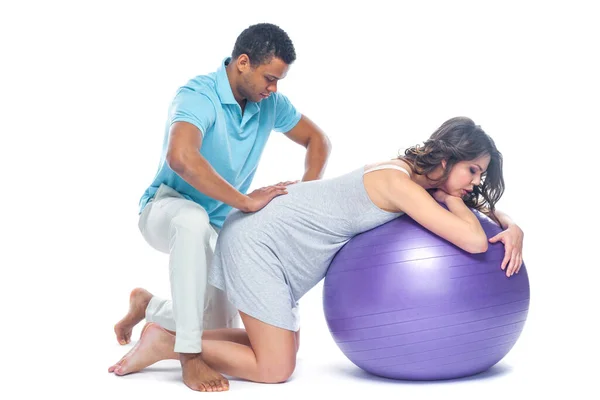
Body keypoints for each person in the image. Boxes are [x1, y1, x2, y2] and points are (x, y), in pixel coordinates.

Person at [108, 116, 525, 391]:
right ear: (448, 156)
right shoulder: (400, 186)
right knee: (275, 368)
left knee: (276, 347)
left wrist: (513, 225)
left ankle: (159, 318)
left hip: (271, 245)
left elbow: (478, 217)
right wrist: (456, 204)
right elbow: (472, 240)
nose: (474, 182)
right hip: (261, 244)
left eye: (480, 175)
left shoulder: (414, 181)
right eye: (472, 170)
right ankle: (168, 343)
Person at [109, 23, 332, 391]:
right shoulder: (198, 95)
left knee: (215, 325)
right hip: (166, 209)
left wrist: (306, 192)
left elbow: (318, 140)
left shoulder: (270, 104)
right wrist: (245, 201)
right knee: (192, 219)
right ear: (243, 62)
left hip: (217, 225)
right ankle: (188, 356)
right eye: (270, 78)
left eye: (278, 81)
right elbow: (181, 157)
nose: (274, 88)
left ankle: (148, 307)